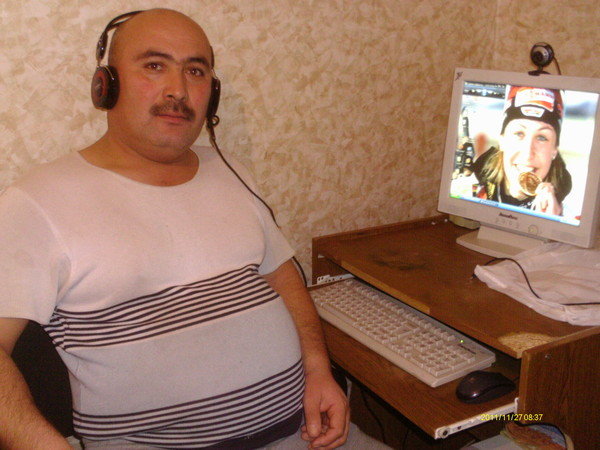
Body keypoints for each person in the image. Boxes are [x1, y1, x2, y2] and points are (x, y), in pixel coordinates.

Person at [0, 9, 388, 449]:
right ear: (106, 84)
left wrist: (318, 370)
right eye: (154, 65)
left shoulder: (228, 170)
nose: (178, 91)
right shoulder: (36, 202)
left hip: (307, 433)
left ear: (212, 93)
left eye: (196, 71)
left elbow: (282, 275)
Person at [469, 86, 572, 215]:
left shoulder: (565, 206)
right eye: (519, 133)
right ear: (502, 141)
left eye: (542, 137)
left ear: (554, 150)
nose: (527, 154)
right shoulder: (476, 178)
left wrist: (553, 221)